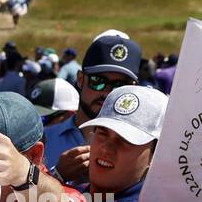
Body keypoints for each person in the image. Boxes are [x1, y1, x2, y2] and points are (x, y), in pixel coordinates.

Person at [44, 33, 143, 184]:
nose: (107, 93)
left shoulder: (140, 150)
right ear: (80, 79)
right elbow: (19, 197)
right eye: (98, 81)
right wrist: (56, 176)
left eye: (120, 86)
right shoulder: (44, 138)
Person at [76, 85, 167, 202]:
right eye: (103, 134)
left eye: (125, 140)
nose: (106, 149)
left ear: (155, 155)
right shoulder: (75, 193)